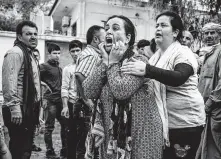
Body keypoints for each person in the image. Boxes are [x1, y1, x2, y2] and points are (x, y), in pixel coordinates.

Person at [121, 11, 206, 159]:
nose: (158, 29)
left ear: (175, 32)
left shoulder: (183, 53)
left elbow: (179, 77)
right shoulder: (156, 56)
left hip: (185, 124)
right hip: (165, 124)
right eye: (157, 25)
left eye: (163, 25)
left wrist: (147, 70)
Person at [83, 15, 164, 159]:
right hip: (110, 135)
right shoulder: (104, 62)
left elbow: (121, 90)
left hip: (141, 135)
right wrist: (106, 62)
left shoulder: (138, 61)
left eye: (115, 28)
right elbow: (89, 91)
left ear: (127, 38)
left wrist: (112, 63)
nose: (108, 32)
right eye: (106, 28)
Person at [2, 20, 41, 159]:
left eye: (35, 34)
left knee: (26, 148)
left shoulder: (30, 55)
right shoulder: (15, 53)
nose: (33, 37)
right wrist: (15, 108)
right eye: (28, 34)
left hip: (28, 108)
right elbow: (9, 82)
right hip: (18, 109)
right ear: (19, 37)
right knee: (19, 148)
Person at [74, 25, 105, 159]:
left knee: (84, 143)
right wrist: (87, 100)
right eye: (105, 38)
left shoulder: (89, 53)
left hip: (83, 105)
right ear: (96, 39)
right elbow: (79, 75)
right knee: (86, 145)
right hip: (86, 107)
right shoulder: (92, 55)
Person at [196, 22, 221, 159]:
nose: (209, 36)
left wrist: (210, 103)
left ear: (219, 35)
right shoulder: (208, 52)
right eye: (206, 33)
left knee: (215, 147)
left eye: (213, 32)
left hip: (216, 109)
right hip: (205, 109)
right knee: (205, 147)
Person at [40, 43, 67, 159]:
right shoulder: (43, 66)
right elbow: (33, 78)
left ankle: (64, 151)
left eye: (58, 53)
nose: (57, 56)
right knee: (49, 128)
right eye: (54, 53)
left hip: (60, 101)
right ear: (49, 54)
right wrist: (44, 84)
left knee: (65, 125)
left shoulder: (59, 68)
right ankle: (50, 152)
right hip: (50, 101)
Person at [60, 40, 83, 159]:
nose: (75, 53)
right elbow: (64, 88)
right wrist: (65, 106)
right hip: (72, 104)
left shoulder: (88, 66)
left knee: (84, 135)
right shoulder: (67, 69)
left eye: (77, 50)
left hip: (85, 104)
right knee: (71, 134)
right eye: (72, 51)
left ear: (82, 51)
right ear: (70, 53)